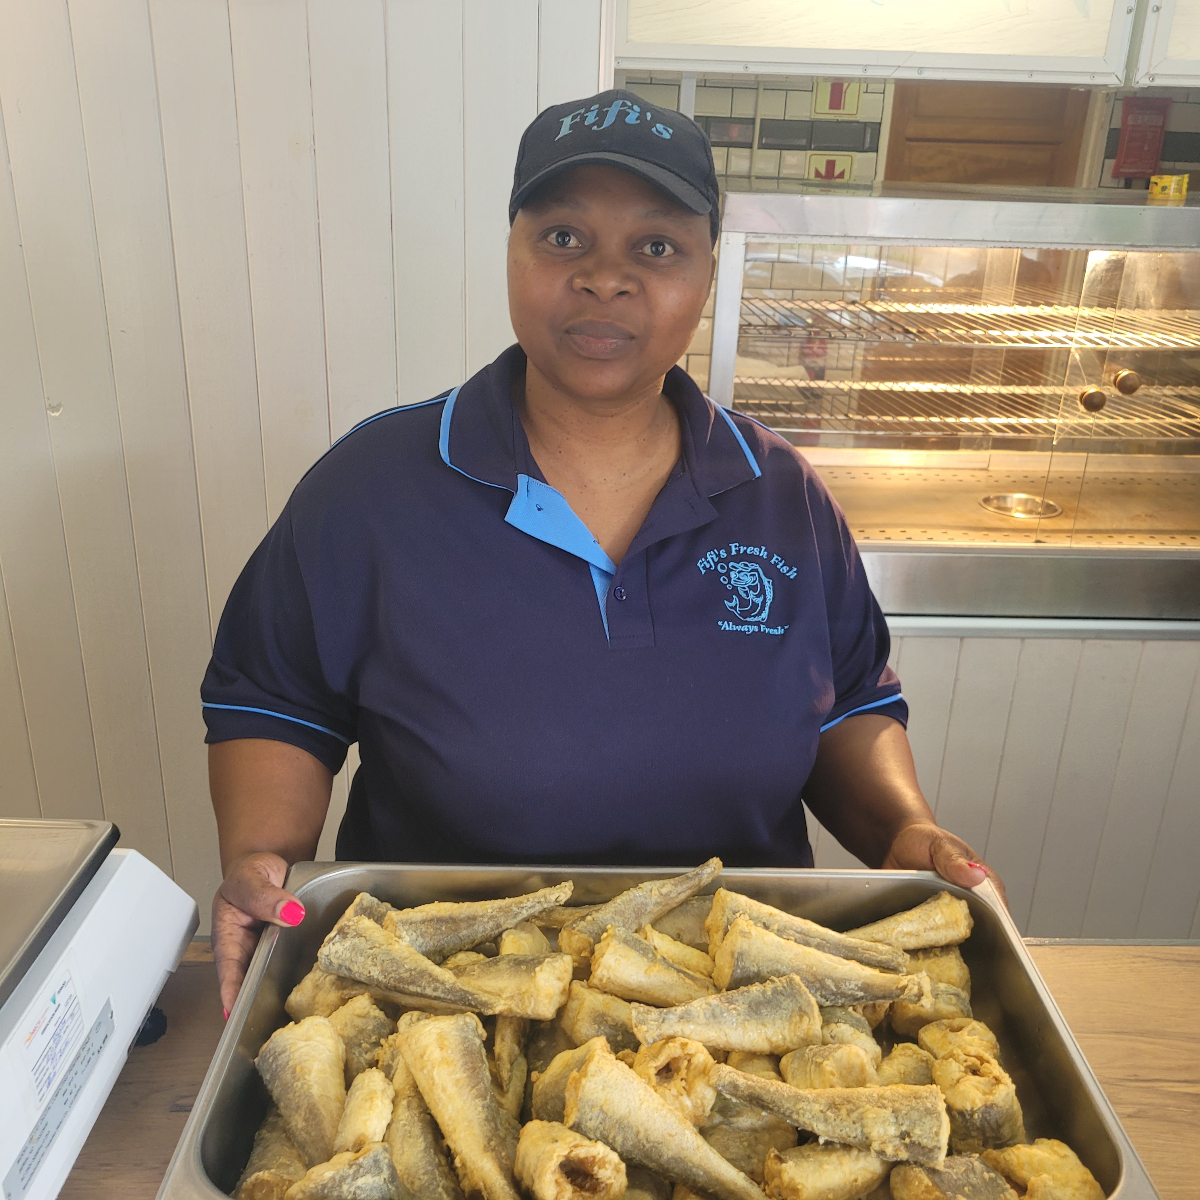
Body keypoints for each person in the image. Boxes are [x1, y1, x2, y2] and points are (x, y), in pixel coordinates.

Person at [203, 90, 1004, 1016]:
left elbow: (850, 702)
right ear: (512, 252)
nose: (604, 278)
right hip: (444, 995)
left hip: (741, 992)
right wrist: (263, 858)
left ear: (707, 273)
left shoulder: (780, 494)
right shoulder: (373, 486)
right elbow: (275, 699)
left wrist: (904, 828)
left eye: (656, 247)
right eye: (563, 238)